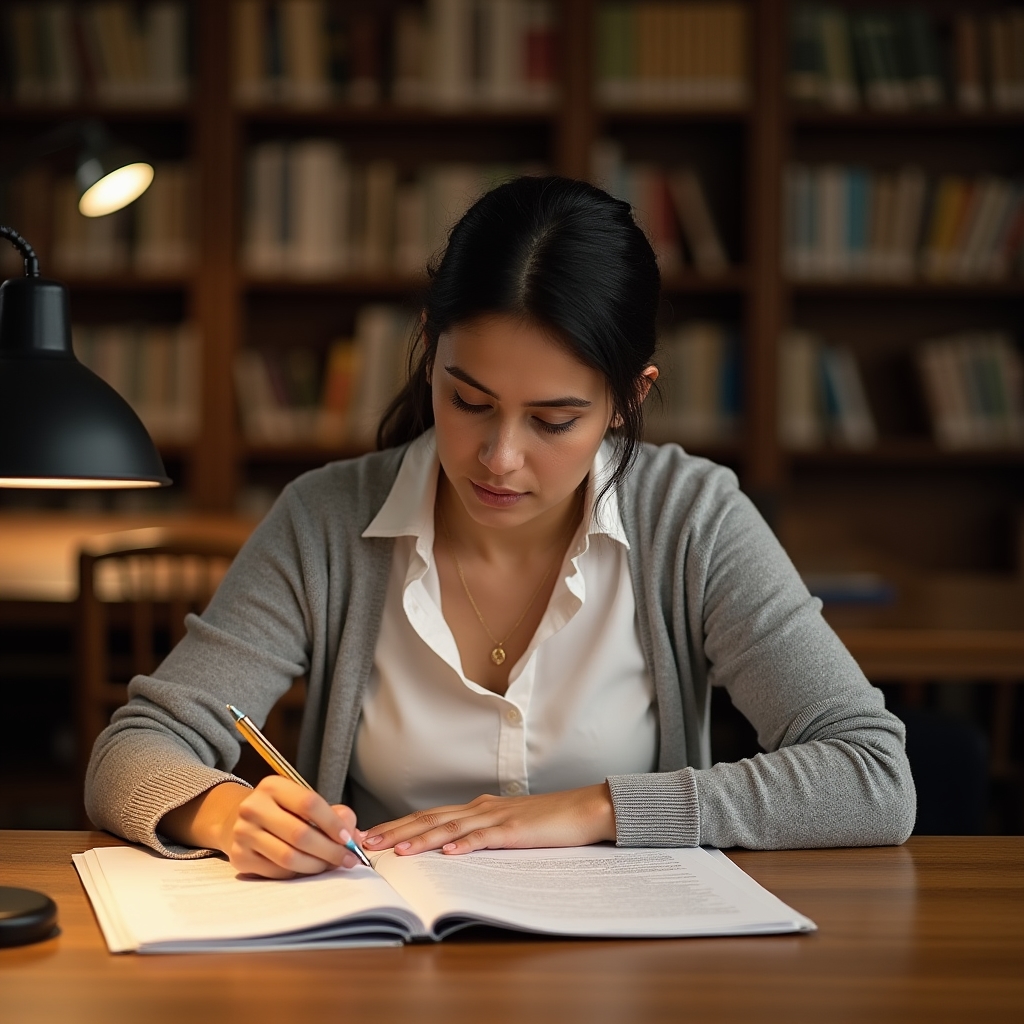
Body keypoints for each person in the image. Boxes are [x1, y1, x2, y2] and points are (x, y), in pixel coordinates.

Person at [86, 176, 915, 878]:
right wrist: (227, 813)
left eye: (554, 420)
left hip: (630, 967)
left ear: (629, 398)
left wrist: (596, 810)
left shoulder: (692, 517)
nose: (500, 458)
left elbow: (872, 775)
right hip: (384, 956)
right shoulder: (326, 519)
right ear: (428, 351)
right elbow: (135, 750)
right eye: (468, 401)